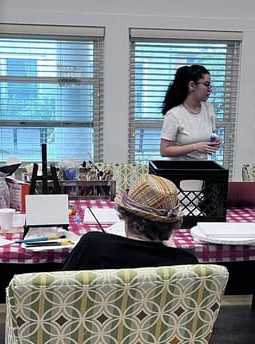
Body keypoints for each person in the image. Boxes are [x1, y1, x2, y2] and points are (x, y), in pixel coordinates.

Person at [61, 174, 198, 270]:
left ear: (125, 215)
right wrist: (172, 249)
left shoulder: (93, 245)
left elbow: (60, 287)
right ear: (171, 227)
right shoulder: (186, 262)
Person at [160, 64, 222, 160]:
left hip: (203, 166)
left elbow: (209, 133)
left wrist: (215, 138)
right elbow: (164, 150)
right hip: (179, 168)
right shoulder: (174, 114)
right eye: (206, 85)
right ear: (192, 85)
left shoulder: (209, 108)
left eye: (210, 85)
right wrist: (194, 147)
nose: (210, 89)